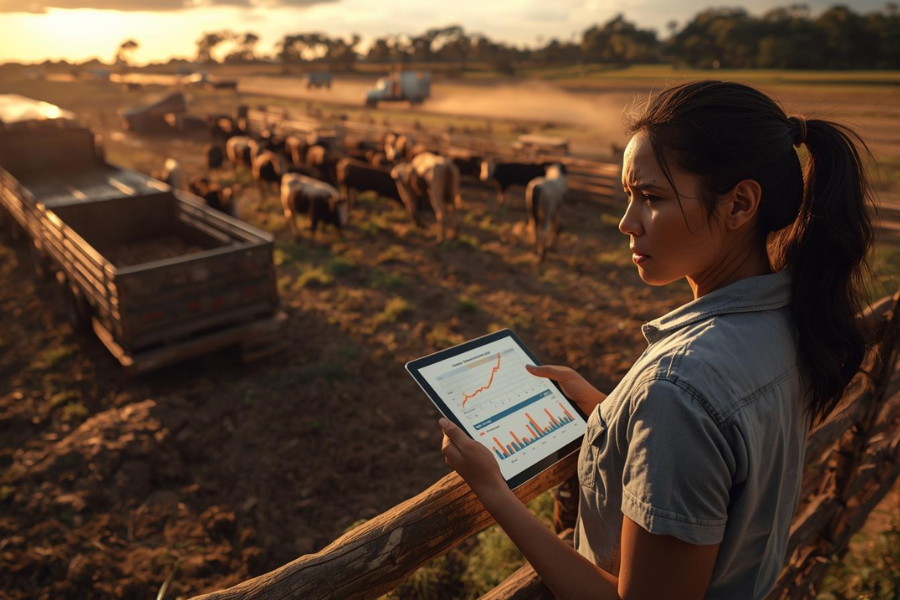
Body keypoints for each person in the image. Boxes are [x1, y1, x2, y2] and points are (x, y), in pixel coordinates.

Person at [438, 80, 875, 600]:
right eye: (629, 196)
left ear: (739, 205)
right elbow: (714, 458)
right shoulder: (788, 321)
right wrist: (610, 410)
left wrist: (494, 492)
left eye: (651, 198)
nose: (627, 223)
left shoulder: (678, 391)